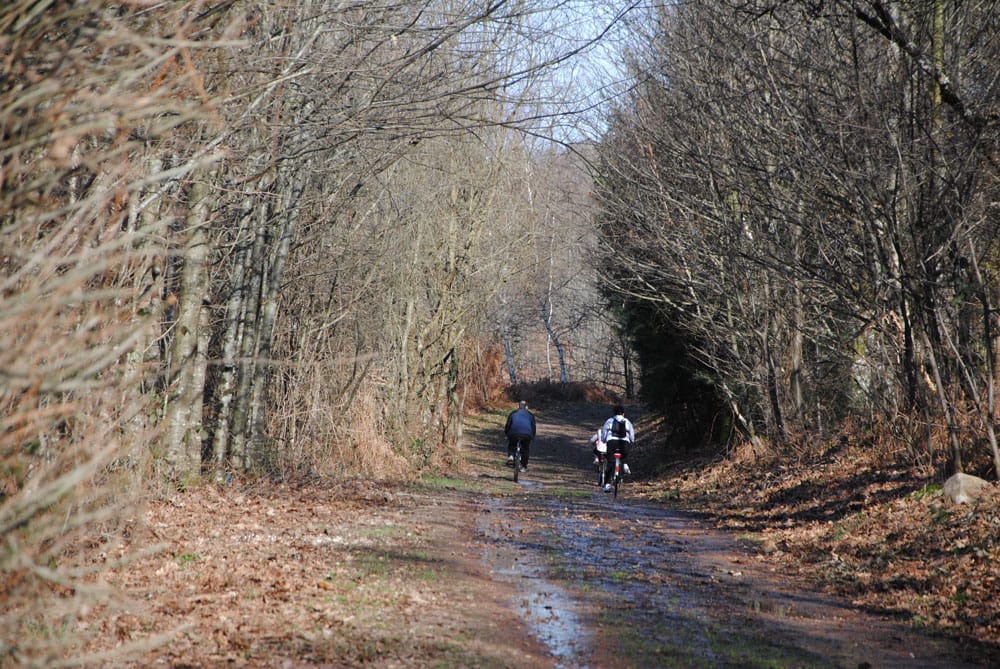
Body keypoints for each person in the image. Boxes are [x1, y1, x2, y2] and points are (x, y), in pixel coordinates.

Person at [599, 405, 634, 491]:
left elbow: (604, 433)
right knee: (624, 456)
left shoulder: (609, 421)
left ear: (614, 413)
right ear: (623, 413)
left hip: (612, 442)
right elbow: (632, 436)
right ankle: (625, 464)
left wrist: (604, 440)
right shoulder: (627, 421)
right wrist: (631, 442)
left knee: (610, 462)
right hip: (624, 443)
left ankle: (607, 484)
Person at [504, 400, 536, 472]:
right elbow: (533, 427)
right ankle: (524, 466)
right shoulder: (530, 415)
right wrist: (532, 436)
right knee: (525, 448)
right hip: (527, 435)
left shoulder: (513, 413)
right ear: (526, 407)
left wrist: (507, 434)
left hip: (514, 433)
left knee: (512, 444)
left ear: (518, 406)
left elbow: (508, 425)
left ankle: (511, 456)